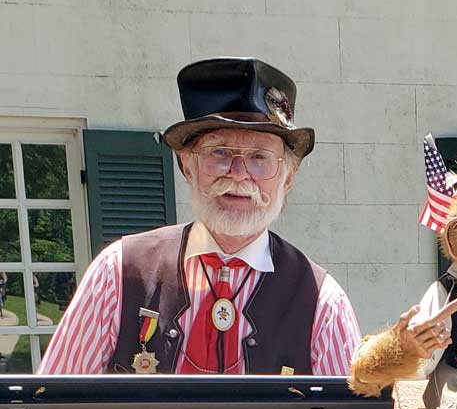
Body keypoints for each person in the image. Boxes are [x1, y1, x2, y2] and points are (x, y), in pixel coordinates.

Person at [39, 57, 360, 376]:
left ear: (288, 177)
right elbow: (53, 403)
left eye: (259, 157)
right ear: (187, 166)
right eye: (219, 152)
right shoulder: (117, 274)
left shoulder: (323, 304)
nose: (238, 173)